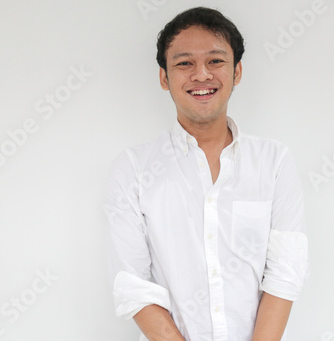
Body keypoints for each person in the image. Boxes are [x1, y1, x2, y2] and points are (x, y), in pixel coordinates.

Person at [104, 7, 308, 341]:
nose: (201, 75)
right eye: (184, 63)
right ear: (164, 77)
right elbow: (134, 286)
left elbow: (285, 274)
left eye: (215, 61)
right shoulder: (133, 169)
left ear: (237, 71)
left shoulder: (273, 162)